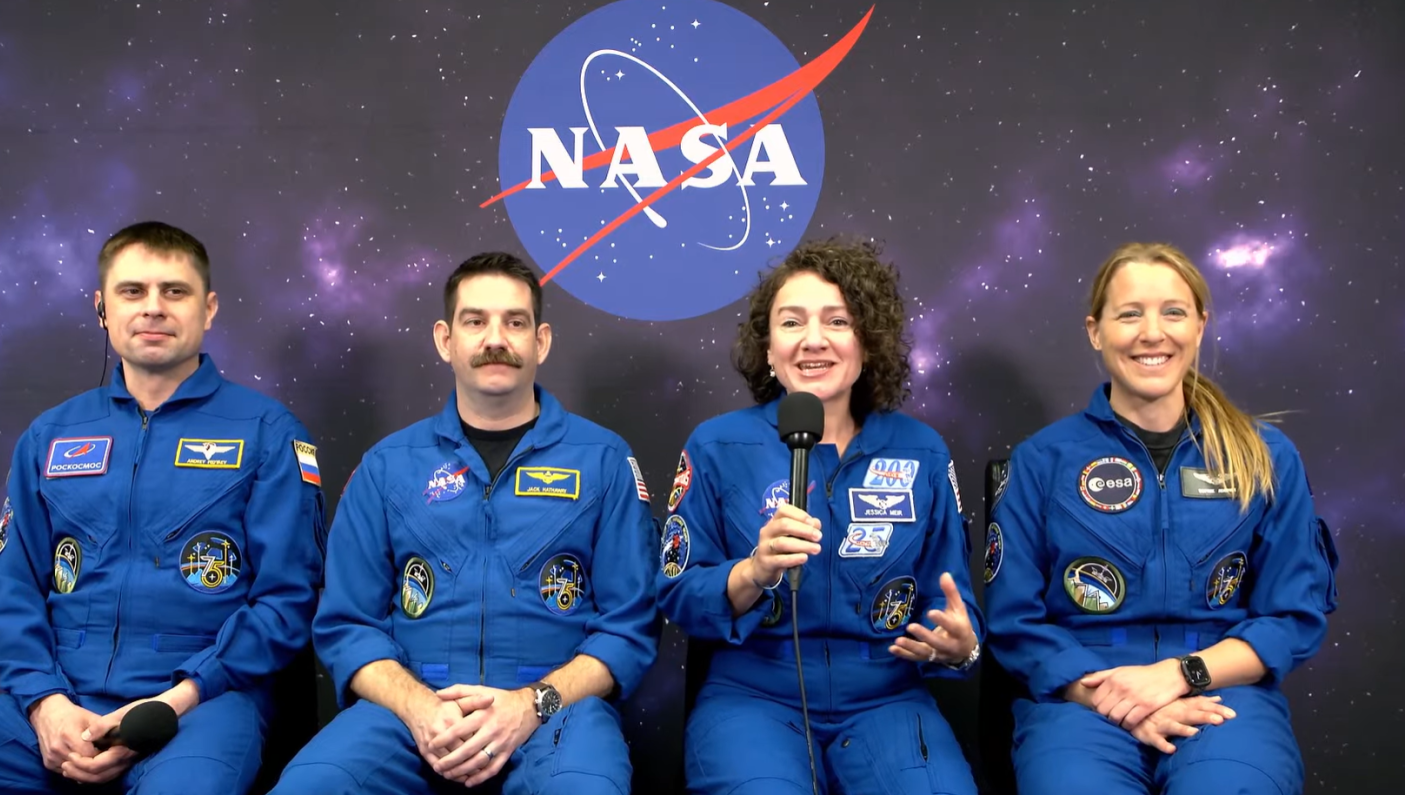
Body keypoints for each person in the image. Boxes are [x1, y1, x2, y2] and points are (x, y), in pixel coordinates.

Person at [0, 221, 328, 794]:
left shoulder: (266, 432)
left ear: (208, 309)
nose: (153, 307)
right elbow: (11, 584)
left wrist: (175, 700)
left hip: (201, 704)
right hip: (61, 703)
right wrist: (45, 704)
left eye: (175, 291)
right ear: (102, 308)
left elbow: (287, 600)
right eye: (132, 291)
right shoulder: (53, 436)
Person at [268, 252, 659, 795]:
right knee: (312, 786)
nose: (495, 339)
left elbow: (628, 627)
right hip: (410, 713)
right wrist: (419, 707)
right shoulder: (388, 467)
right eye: (475, 321)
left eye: (515, 322)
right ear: (445, 339)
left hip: (555, 714)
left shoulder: (603, 461)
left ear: (541, 341)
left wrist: (530, 704)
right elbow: (347, 625)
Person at [984, 242, 1340, 794]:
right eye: (1130, 314)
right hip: (1084, 697)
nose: (1153, 333)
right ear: (1095, 331)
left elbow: (1292, 614)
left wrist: (1181, 675)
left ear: (1199, 326)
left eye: (1173, 312)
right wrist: (1119, 698)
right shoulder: (1042, 462)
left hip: (1222, 693)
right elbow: (1014, 622)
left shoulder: (1264, 458)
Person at [657, 237, 982, 795]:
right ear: (768, 349)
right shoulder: (717, 446)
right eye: (792, 322)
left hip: (887, 698)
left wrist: (958, 646)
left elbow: (952, 603)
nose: (813, 340)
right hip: (753, 696)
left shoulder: (922, 452)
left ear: (867, 343)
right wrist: (752, 572)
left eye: (837, 321)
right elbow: (677, 592)